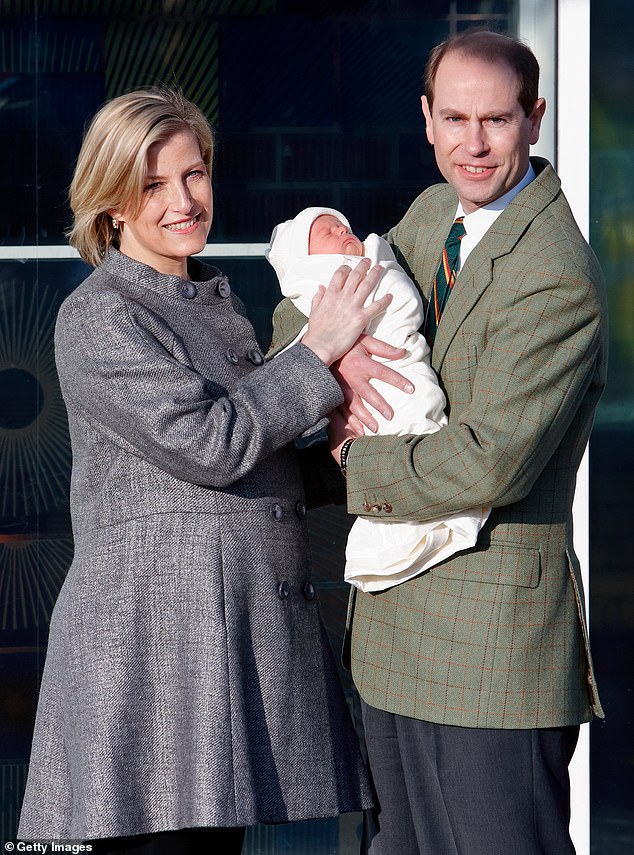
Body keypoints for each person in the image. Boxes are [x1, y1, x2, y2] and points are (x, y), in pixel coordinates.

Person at [16, 88, 390, 854]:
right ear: (111, 202)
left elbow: (257, 461)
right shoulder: (100, 314)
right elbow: (211, 441)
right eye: (153, 185)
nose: (183, 201)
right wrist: (316, 351)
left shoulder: (209, 302)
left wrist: (360, 450)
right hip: (153, 667)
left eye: (195, 174)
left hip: (222, 652)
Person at [269, 30, 608, 855]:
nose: (474, 143)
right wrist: (337, 348)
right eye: (454, 118)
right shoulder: (430, 213)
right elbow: (315, 298)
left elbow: (487, 458)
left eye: (496, 120)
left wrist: (349, 461)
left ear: (535, 118)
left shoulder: (556, 271)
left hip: (491, 647)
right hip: (393, 635)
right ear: (425, 118)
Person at [266, 206, 489, 592]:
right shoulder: (429, 213)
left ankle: (422, 524)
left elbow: (401, 303)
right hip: (371, 417)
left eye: (342, 225)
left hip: (405, 370)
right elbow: (292, 315)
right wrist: (329, 354)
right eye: (327, 233)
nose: (341, 233)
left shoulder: (380, 253)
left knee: (418, 413)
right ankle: (405, 532)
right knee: (395, 421)